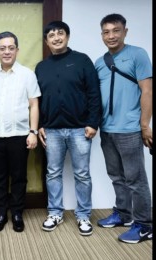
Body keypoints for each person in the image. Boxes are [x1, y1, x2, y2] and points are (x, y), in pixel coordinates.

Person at [34, 21, 102, 236]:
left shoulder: (81, 60)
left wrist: (93, 123)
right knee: (53, 173)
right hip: (52, 130)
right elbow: (39, 100)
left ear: (67, 36)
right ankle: (55, 213)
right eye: (51, 35)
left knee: (82, 174)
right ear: (46, 41)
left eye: (60, 34)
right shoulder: (41, 66)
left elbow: (94, 93)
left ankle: (83, 216)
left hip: (80, 130)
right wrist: (41, 125)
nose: (56, 38)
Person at [94, 13, 153, 244]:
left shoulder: (138, 54)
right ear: (102, 35)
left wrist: (145, 125)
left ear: (125, 32)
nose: (111, 36)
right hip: (107, 128)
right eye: (106, 32)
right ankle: (124, 215)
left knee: (135, 179)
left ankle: (145, 225)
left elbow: (147, 91)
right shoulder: (100, 62)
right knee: (116, 176)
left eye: (116, 30)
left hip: (130, 128)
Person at [0, 31, 41, 233]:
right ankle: (0, 213)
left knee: (19, 177)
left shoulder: (27, 74)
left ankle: (16, 213)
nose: (7, 51)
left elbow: (34, 104)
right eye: (3, 48)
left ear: (17, 50)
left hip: (20, 134)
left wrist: (32, 131)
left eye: (11, 47)